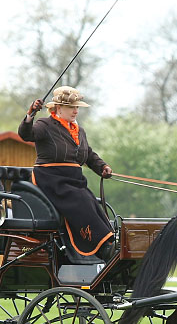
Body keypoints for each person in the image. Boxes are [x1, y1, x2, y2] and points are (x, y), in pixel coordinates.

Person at [19, 86, 115, 260]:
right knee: (81, 200)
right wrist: (30, 114)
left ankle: (108, 240)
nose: (76, 111)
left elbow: (88, 154)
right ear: (59, 108)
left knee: (93, 202)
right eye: (72, 107)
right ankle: (101, 248)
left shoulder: (79, 131)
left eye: (77, 107)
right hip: (51, 177)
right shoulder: (44, 125)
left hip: (74, 180)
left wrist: (102, 167)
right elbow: (26, 134)